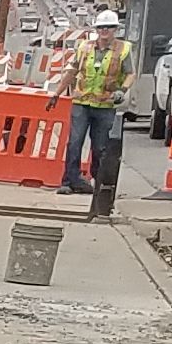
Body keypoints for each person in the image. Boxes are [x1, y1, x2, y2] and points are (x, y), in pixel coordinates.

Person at [63, 20, 131, 216]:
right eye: (101, 27)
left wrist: (122, 90)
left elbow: (130, 74)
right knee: (74, 142)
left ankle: (97, 183)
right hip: (82, 103)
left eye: (108, 28)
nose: (104, 31)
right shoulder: (85, 47)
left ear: (115, 30)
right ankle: (69, 181)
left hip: (105, 105)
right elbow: (73, 70)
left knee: (100, 147)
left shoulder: (123, 50)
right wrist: (57, 93)